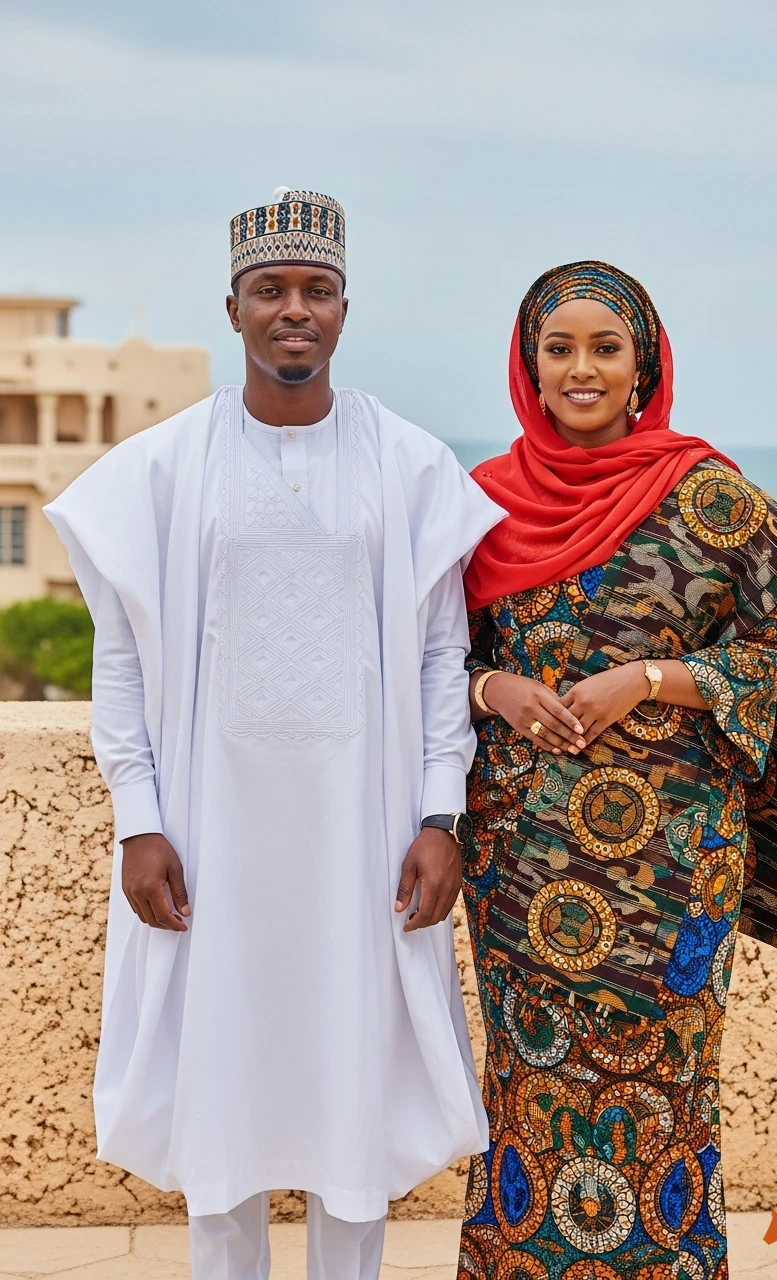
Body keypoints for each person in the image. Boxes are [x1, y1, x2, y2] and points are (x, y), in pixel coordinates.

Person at [44, 187, 504, 1280]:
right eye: (270, 290)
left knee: (351, 1123)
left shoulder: (409, 463)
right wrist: (139, 820)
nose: (292, 309)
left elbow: (444, 655)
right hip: (212, 846)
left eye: (315, 289)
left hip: (366, 842)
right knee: (223, 1119)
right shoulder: (162, 469)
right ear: (233, 307)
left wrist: (441, 808)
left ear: (345, 308)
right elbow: (121, 661)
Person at [457, 261, 777, 1279]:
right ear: (528, 366)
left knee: (665, 1094)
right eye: (558, 348)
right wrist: (493, 687)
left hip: (673, 868)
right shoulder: (479, 505)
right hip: (520, 862)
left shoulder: (705, 494)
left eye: (604, 347)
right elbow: (423, 658)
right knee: (528, 1085)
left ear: (643, 366)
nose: (580, 368)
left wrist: (648, 677)